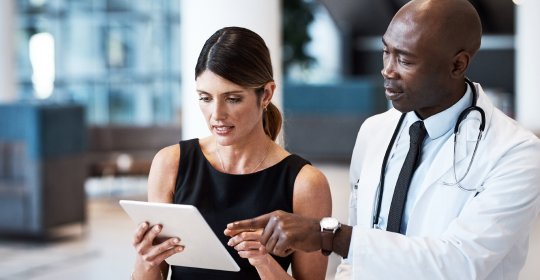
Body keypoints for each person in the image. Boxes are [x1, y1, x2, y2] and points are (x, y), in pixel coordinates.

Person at [227, 0, 540, 279]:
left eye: (405, 60)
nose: (387, 71)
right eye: (386, 52)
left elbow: (460, 263)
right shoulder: (375, 131)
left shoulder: (515, 152)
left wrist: (331, 236)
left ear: (457, 64)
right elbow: (362, 247)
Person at [129, 27, 332, 280]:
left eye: (233, 98)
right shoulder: (171, 164)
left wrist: (263, 262)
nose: (216, 115)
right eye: (205, 98)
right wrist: (144, 260)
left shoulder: (305, 184)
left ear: (266, 94)